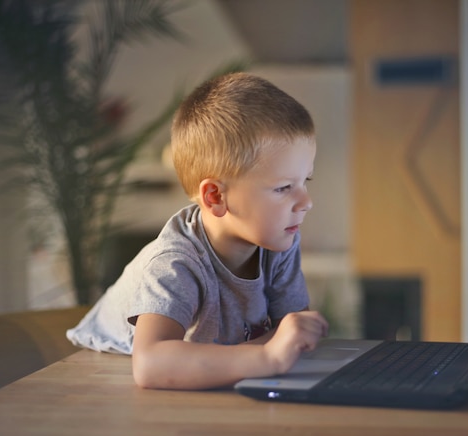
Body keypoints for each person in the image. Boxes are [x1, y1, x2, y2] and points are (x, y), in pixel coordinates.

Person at [67, 72, 329, 390]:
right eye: (284, 187)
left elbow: (294, 331)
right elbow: (151, 365)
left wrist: (275, 345)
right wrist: (268, 359)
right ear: (216, 197)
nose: (306, 202)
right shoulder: (173, 263)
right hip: (99, 374)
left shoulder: (280, 242)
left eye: (306, 181)